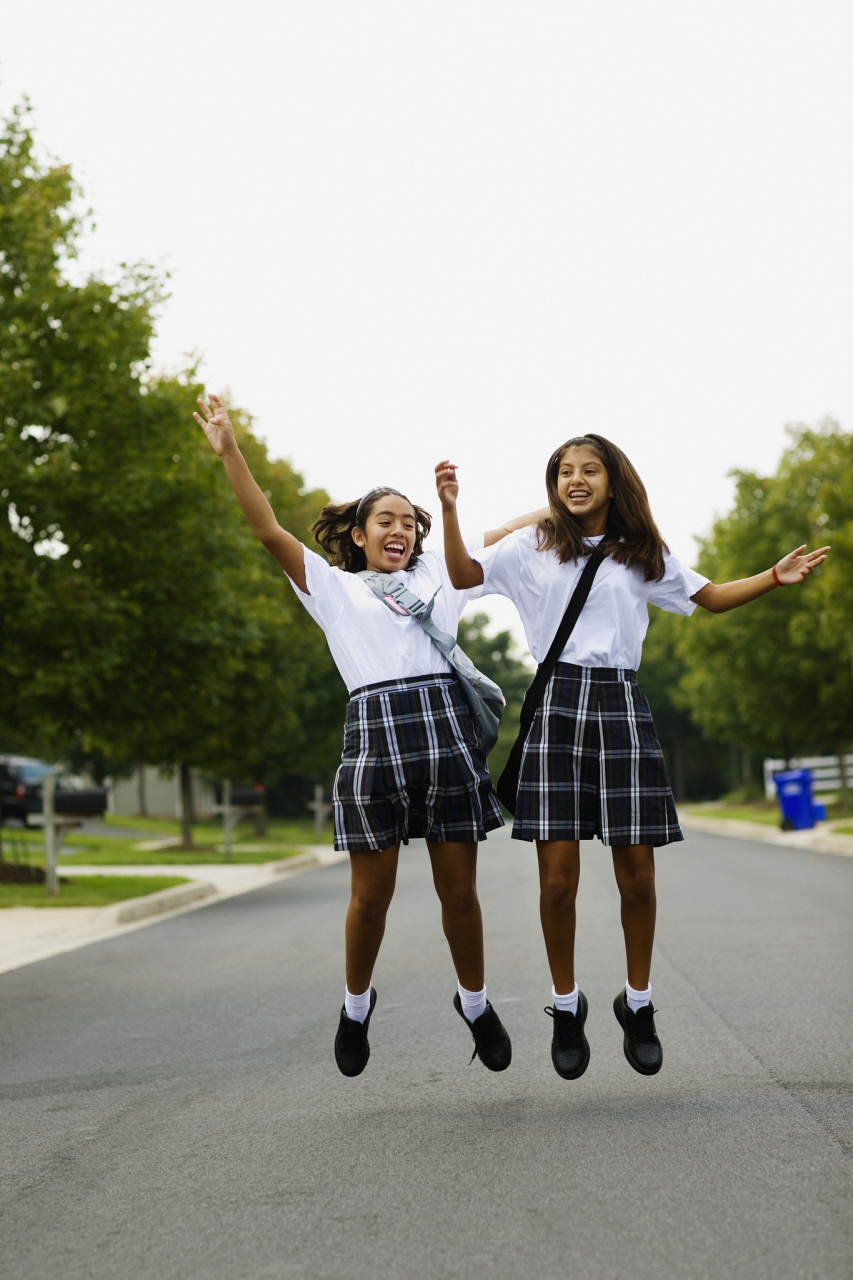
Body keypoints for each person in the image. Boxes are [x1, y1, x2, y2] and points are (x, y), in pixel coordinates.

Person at [436, 435, 829, 1080]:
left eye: (589, 470)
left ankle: (637, 1003)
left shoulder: (642, 551)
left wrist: (773, 577)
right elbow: (461, 575)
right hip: (556, 705)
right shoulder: (533, 546)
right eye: (565, 472)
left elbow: (709, 596)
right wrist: (451, 511)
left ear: (613, 481)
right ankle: (567, 1007)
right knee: (557, 881)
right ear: (553, 485)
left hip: (620, 704)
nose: (576, 480)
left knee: (638, 877)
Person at [195, 394, 548, 1078]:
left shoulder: (441, 571)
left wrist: (575, 502)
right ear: (357, 535)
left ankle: (475, 1004)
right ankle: (355, 1007)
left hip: (444, 739)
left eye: (409, 523)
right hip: (373, 740)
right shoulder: (332, 591)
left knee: (459, 894)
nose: (401, 531)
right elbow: (267, 528)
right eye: (386, 521)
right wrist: (230, 450)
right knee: (370, 897)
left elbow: (509, 528)